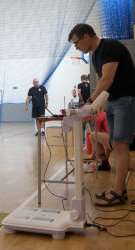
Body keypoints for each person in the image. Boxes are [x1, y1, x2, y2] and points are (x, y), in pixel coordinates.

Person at [69, 23, 135, 207]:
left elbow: (108, 79)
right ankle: (119, 190)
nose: (77, 47)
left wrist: (90, 102)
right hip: (113, 101)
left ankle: (117, 191)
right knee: (116, 144)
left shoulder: (110, 47)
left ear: (86, 36)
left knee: (121, 146)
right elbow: (100, 82)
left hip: (125, 99)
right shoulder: (95, 55)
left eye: (76, 43)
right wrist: (96, 105)